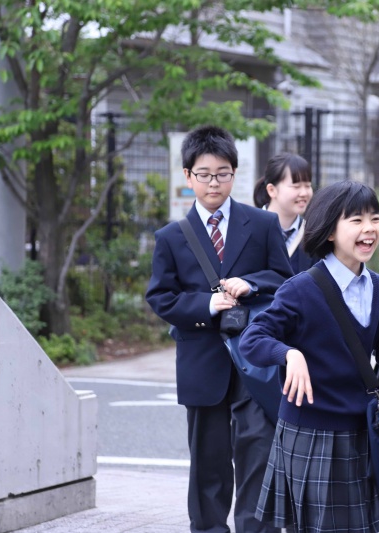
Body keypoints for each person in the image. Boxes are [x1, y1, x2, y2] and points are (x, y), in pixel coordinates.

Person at [239, 180, 379, 533]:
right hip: (310, 430)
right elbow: (253, 339)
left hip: (358, 429)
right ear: (329, 231)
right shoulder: (300, 288)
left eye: (374, 218)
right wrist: (289, 354)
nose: (369, 228)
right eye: (355, 220)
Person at [146, 125, 293, 533]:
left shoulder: (262, 224)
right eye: (205, 174)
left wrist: (253, 283)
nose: (215, 182)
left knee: (258, 451)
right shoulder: (171, 237)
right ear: (188, 176)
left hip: (255, 359)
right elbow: (161, 298)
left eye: (223, 173)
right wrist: (206, 305)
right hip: (202, 360)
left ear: (235, 174)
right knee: (208, 460)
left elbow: (286, 278)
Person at [253, 152, 314, 273]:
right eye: (296, 186)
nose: (304, 193)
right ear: (272, 190)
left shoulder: (312, 235)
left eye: (308, 186)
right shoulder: (248, 229)